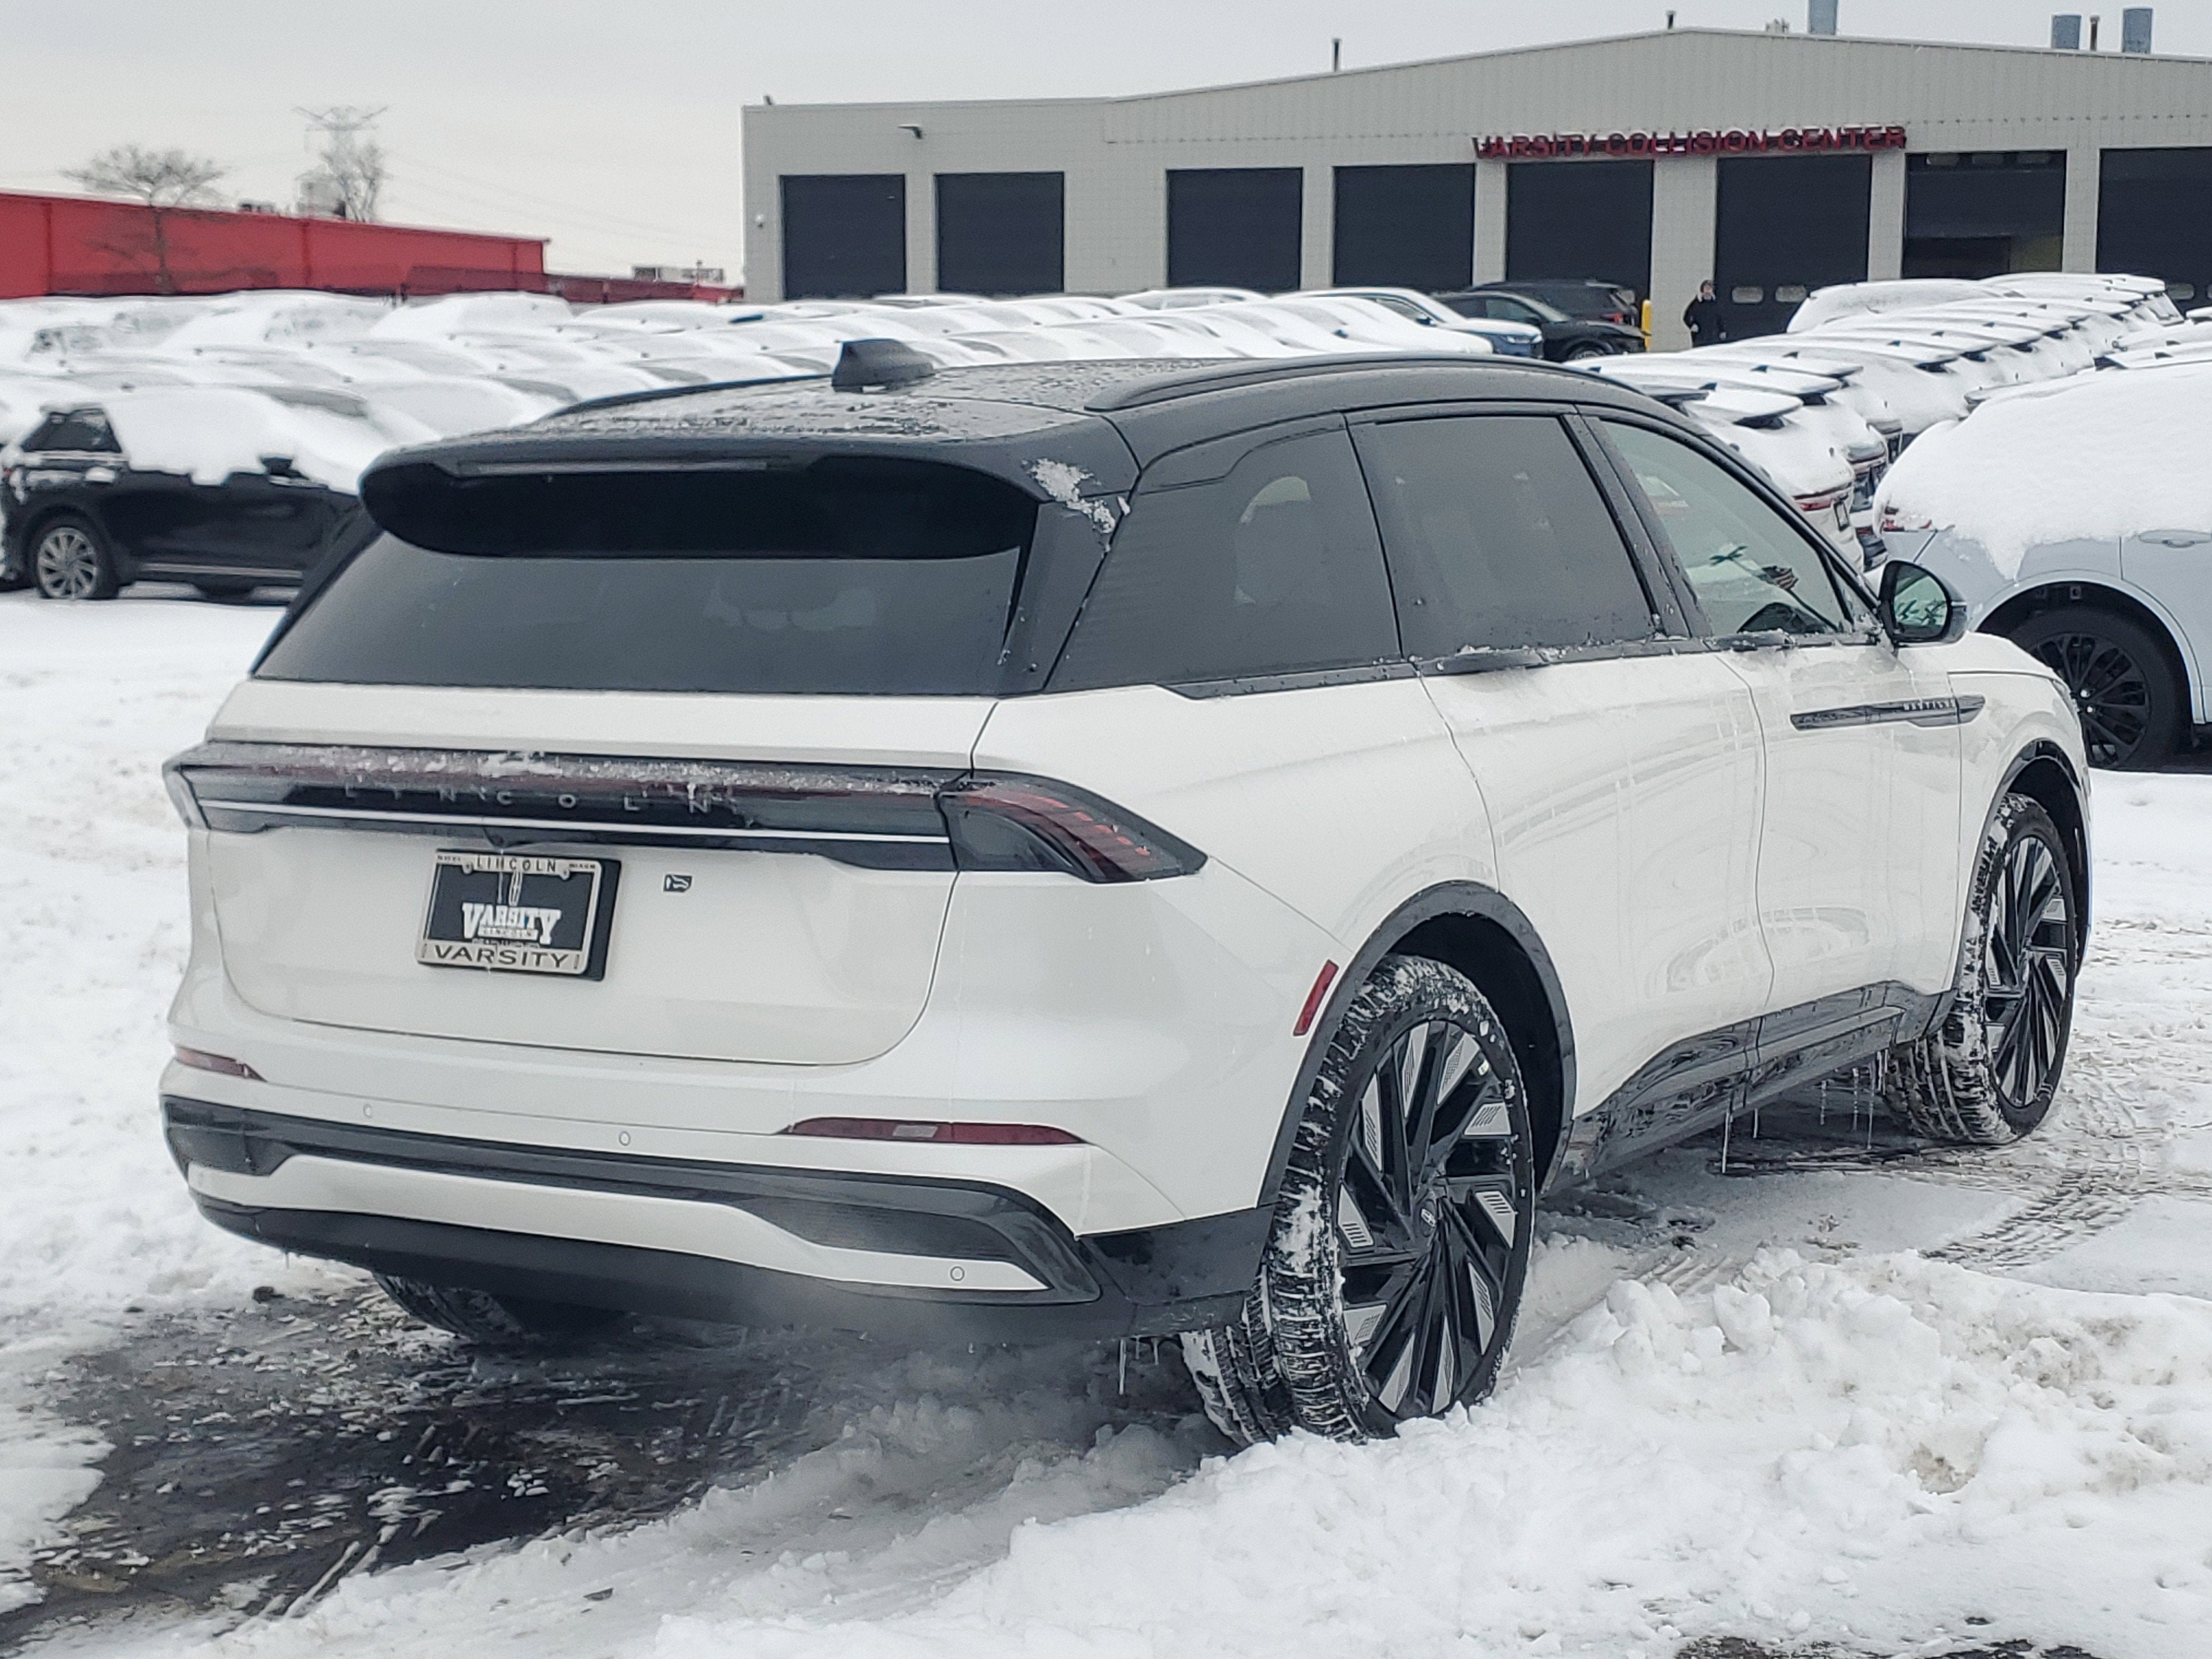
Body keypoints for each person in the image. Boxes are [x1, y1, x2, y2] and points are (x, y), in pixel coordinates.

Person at [1683, 280, 1724, 346]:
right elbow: (1686, 317)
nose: (1708, 291)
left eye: (1710, 288)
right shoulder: (1696, 304)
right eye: (1706, 288)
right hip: (1699, 338)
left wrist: (1722, 331)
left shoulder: (1716, 305)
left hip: (1713, 337)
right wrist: (1692, 325)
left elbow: (1721, 319)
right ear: (1702, 290)